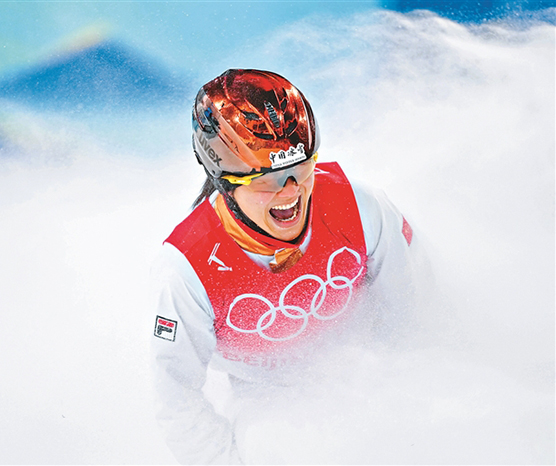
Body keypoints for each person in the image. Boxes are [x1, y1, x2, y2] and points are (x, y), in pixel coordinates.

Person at [151, 69, 423, 464]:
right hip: (266, 399)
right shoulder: (186, 267)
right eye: (268, 180)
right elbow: (176, 398)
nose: (291, 191)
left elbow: (415, 319)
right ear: (225, 181)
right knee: (272, 444)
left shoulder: (361, 207)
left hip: (372, 374)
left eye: (300, 169)